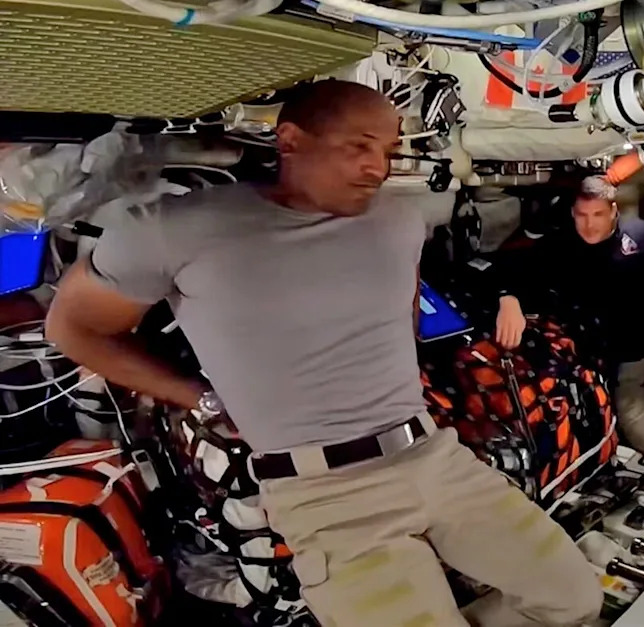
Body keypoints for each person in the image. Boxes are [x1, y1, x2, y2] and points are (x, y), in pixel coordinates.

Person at [46, 80, 602, 627]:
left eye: (388, 151)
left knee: (573, 599)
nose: (377, 167)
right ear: (290, 139)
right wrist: (200, 397)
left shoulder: (399, 219)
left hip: (435, 457)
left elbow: (405, 315)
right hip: (327, 496)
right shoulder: (175, 230)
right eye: (358, 145)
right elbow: (73, 329)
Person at [494, 176, 644, 474]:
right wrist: (508, 299)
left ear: (614, 211)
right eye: (582, 215)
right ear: (572, 213)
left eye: (598, 214)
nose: (590, 224)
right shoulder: (560, 246)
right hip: (613, 369)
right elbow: (510, 267)